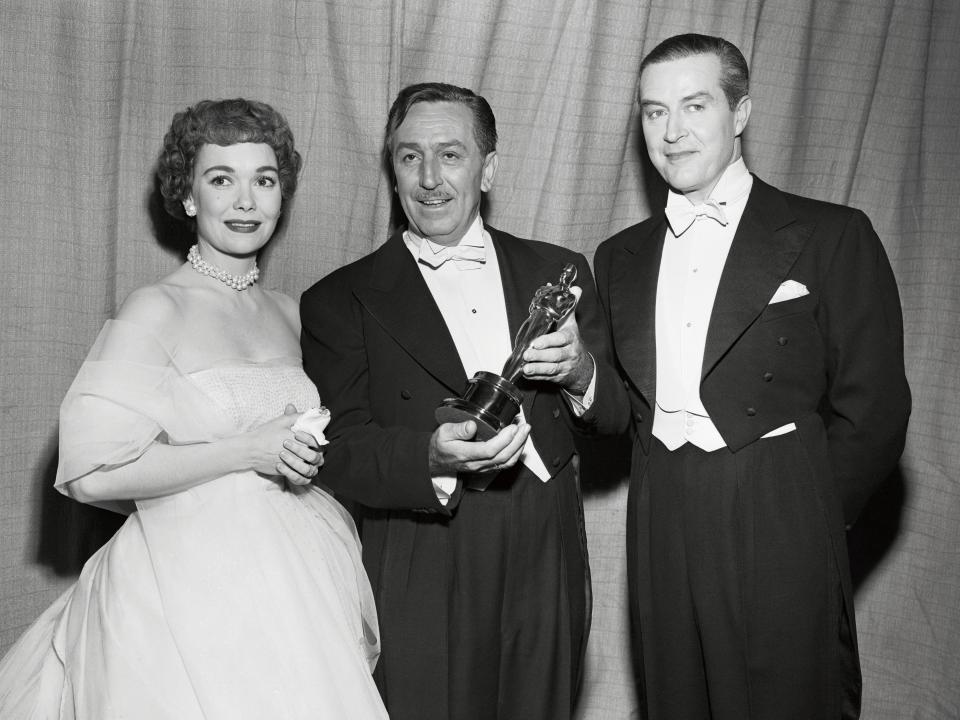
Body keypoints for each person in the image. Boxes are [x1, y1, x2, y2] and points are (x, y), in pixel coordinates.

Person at [0, 98, 388, 719]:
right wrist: (244, 452)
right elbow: (86, 475)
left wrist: (298, 458)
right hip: (178, 588)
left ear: (281, 197)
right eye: (220, 179)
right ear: (187, 197)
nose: (244, 201)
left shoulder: (294, 315)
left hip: (295, 577)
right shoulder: (156, 310)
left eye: (263, 181)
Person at [572, 33, 912, 719]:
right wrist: (577, 374)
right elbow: (617, 415)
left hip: (779, 508)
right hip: (661, 514)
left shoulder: (831, 235)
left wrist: (803, 515)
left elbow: (874, 411)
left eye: (694, 106)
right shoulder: (618, 257)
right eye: (653, 111)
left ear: (742, 112)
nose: (670, 132)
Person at [299, 82, 612, 720]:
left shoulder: (559, 271)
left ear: (487, 168)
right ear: (392, 170)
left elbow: (617, 421)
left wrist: (581, 373)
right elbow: (341, 449)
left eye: (451, 155)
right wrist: (432, 459)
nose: (430, 179)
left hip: (543, 535)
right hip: (421, 539)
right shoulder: (339, 299)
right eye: (410, 157)